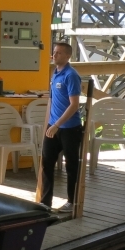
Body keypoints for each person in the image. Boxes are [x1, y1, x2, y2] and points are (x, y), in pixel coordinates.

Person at [40, 42, 83, 211]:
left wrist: (57, 124)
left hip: (69, 128)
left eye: (58, 53)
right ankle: (45, 202)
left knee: (71, 165)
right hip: (53, 126)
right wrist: (50, 123)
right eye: (54, 52)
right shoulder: (55, 73)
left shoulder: (71, 75)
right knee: (47, 162)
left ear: (67, 56)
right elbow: (53, 99)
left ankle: (72, 201)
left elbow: (74, 105)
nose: (54, 55)